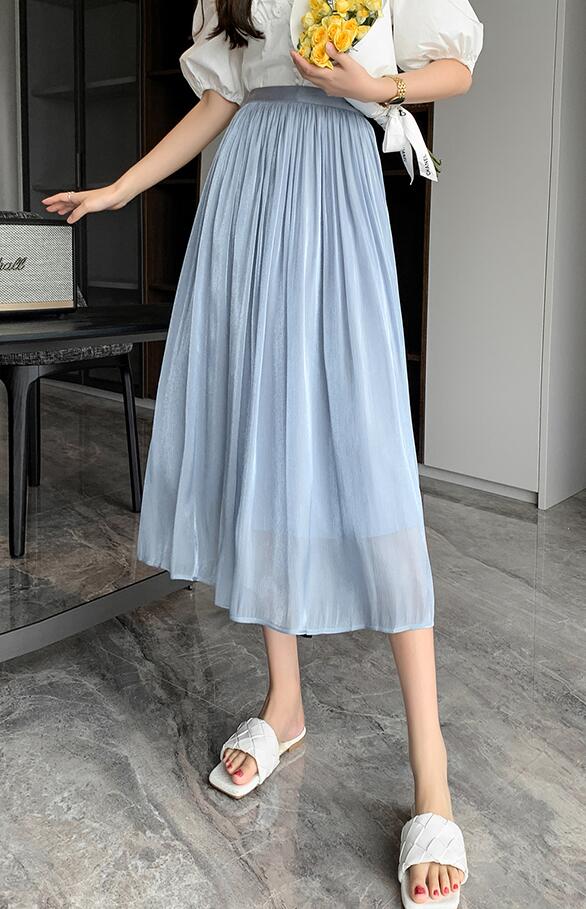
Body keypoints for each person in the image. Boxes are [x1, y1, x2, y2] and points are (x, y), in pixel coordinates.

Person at [42, 0, 483, 903]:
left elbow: (457, 68)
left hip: (335, 197)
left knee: (369, 455)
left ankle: (431, 776)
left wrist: (377, 85)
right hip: (242, 201)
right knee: (262, 440)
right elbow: (222, 98)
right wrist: (121, 189)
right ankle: (284, 703)